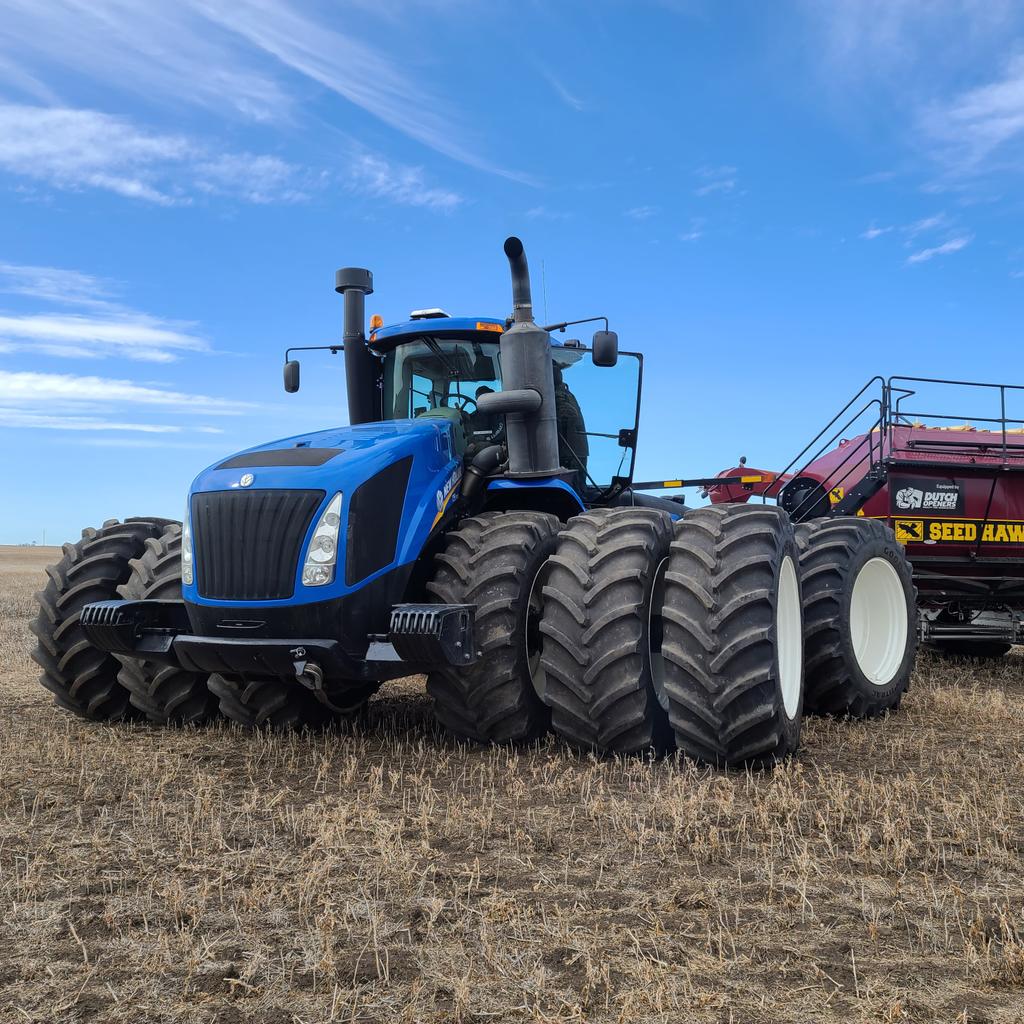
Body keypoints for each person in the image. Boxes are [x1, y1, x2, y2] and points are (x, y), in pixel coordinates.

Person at [553, 364, 589, 488]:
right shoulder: (566, 393)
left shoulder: (558, 396)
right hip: (572, 454)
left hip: (567, 458)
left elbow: (567, 415)